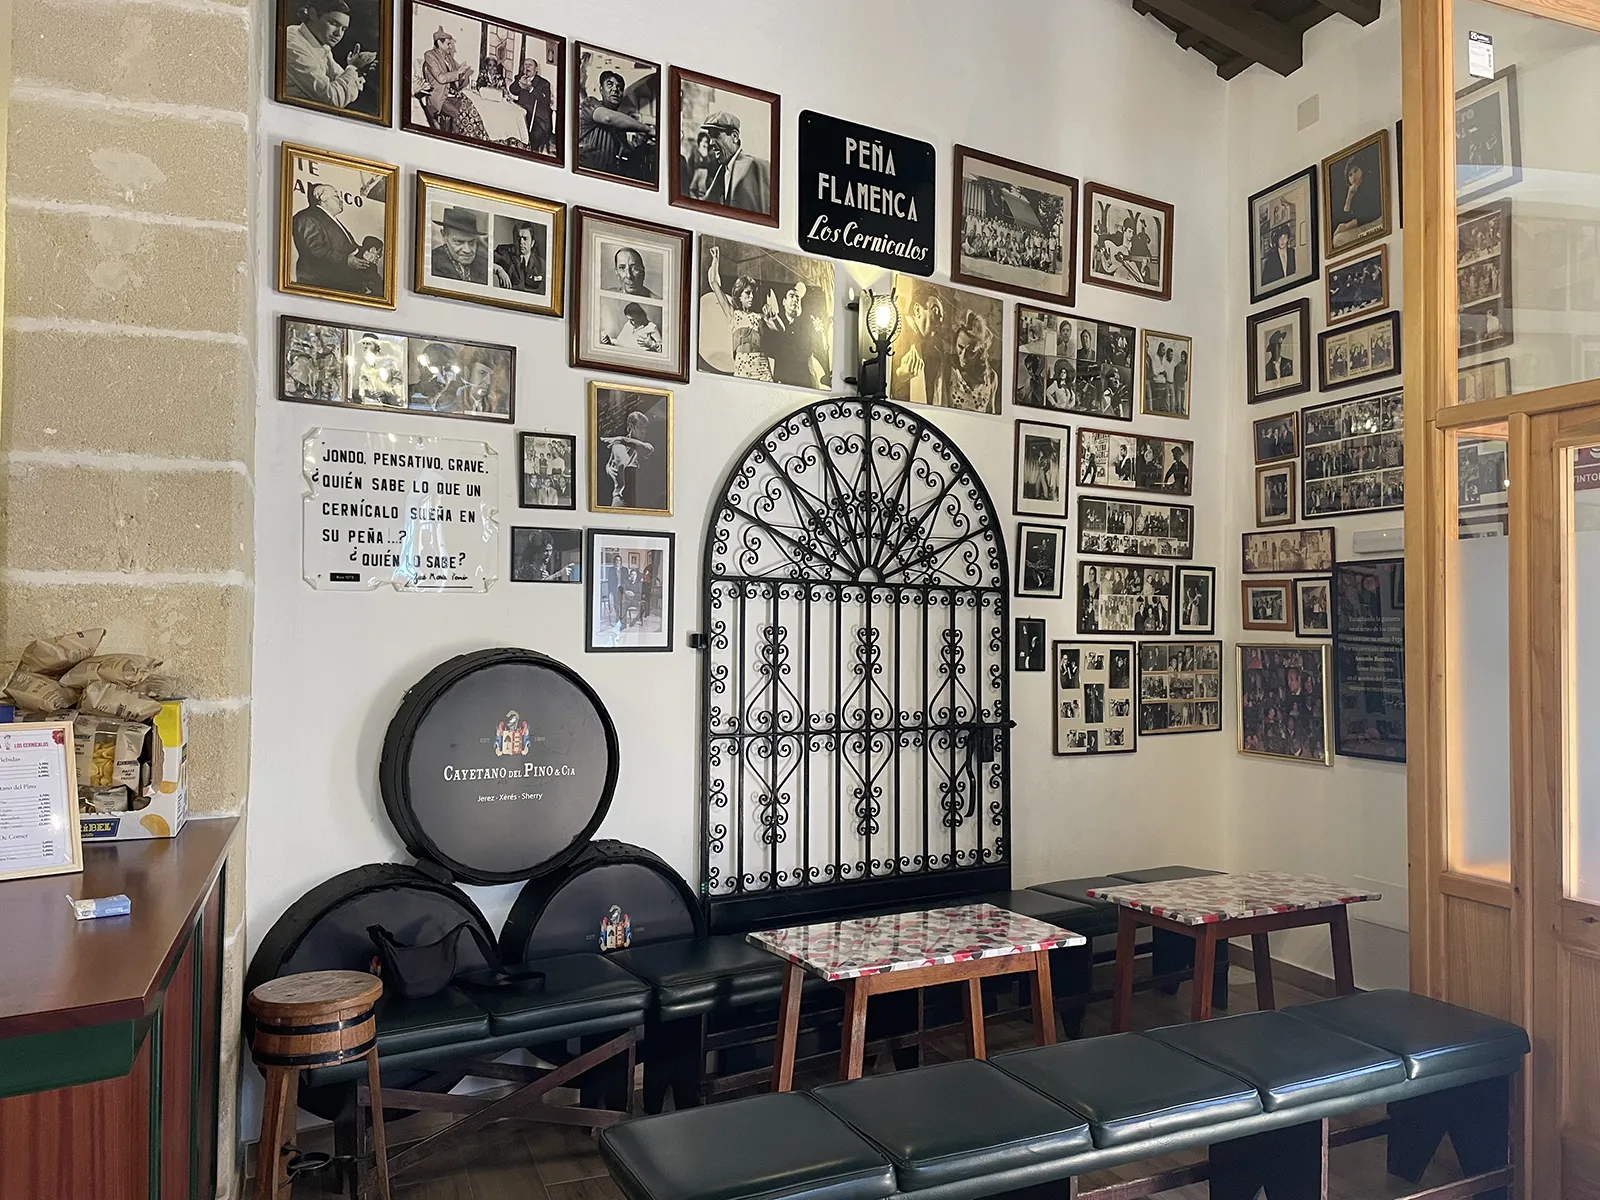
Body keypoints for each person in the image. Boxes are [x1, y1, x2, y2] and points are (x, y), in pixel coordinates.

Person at [283, 0, 377, 110]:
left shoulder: (320, 44)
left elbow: (341, 79)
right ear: (313, 14)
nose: (338, 34)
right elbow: (332, 99)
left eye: (343, 29)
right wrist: (353, 68)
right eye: (334, 23)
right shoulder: (293, 45)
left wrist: (355, 68)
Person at [706, 246, 772, 382]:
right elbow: (714, 283)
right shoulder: (733, 314)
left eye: (753, 293)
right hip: (742, 365)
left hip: (762, 365)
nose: (751, 296)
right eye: (748, 293)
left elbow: (777, 330)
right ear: (739, 295)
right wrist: (715, 260)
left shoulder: (759, 316)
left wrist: (771, 318)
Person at [578, 67, 655, 180]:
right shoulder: (590, 103)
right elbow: (608, 118)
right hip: (586, 173)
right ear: (601, 89)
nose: (615, 89)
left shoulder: (620, 124)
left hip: (607, 177)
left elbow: (624, 152)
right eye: (610, 84)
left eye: (619, 87)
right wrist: (647, 129)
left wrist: (640, 143)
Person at [292, 182, 365, 295]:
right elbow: (316, 249)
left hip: (339, 287)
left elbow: (351, 248)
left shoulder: (331, 220)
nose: (341, 200)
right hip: (321, 287)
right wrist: (346, 260)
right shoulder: (307, 217)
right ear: (322, 198)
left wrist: (365, 253)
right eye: (336, 196)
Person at [421, 27, 486, 139]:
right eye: (448, 44)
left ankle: (475, 138)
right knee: (459, 115)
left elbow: (457, 82)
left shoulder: (449, 57)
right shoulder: (430, 55)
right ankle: (459, 140)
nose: (451, 47)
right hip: (439, 98)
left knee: (472, 109)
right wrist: (458, 72)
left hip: (453, 96)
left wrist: (462, 74)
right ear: (439, 43)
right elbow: (441, 78)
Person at [700, 111, 770, 215]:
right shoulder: (722, 170)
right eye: (710, 137)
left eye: (716, 135)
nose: (711, 142)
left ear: (734, 136)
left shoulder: (758, 167)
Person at [895, 291, 946, 406]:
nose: (941, 319)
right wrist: (900, 374)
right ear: (917, 310)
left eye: (943, 315)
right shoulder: (895, 331)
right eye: (936, 309)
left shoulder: (934, 352)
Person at [601, 410, 654, 508]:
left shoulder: (643, 446)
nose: (643, 431)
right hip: (621, 499)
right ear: (631, 427)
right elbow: (610, 465)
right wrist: (609, 470)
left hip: (642, 501)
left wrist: (622, 439)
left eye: (645, 428)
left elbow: (647, 449)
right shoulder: (617, 446)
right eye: (639, 427)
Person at [430, 205, 488, 284]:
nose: (467, 250)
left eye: (472, 242)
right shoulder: (431, 262)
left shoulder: (484, 265)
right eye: (458, 242)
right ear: (444, 235)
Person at [1332, 155, 1382, 246]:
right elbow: (1345, 217)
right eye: (1350, 175)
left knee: (1338, 239)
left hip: (1375, 221)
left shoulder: (1370, 183)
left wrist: (1350, 225)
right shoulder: (1354, 191)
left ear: (1362, 170)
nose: (1353, 177)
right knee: (1337, 236)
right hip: (1362, 224)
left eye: (1356, 171)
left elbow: (1374, 211)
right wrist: (1349, 197)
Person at [509, 57, 553, 153]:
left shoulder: (544, 83)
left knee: (531, 139)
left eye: (530, 65)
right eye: (525, 65)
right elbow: (513, 90)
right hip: (522, 116)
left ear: (536, 69)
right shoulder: (520, 78)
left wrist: (531, 89)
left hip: (538, 120)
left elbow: (545, 102)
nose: (527, 67)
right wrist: (519, 81)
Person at [493, 222, 544, 292]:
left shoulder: (541, 264)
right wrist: (499, 269)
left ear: (532, 243)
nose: (521, 242)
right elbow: (486, 260)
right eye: (518, 238)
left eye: (525, 238)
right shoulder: (504, 252)